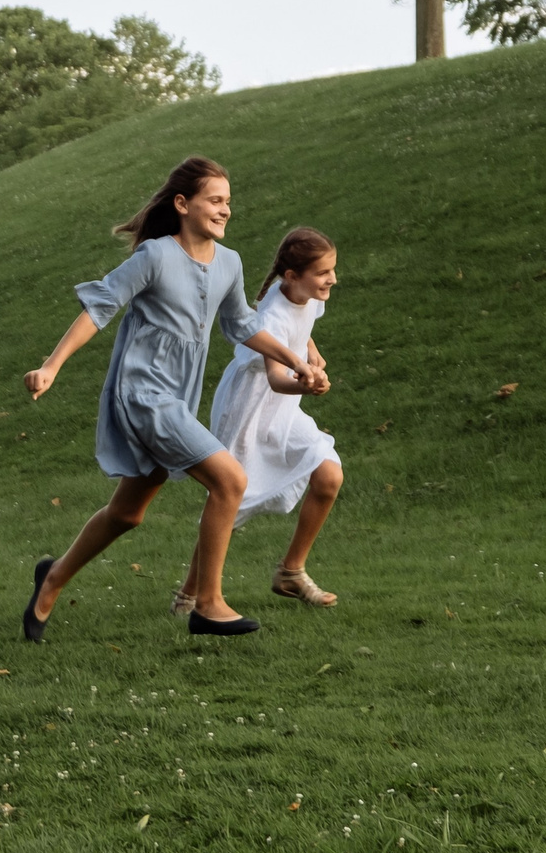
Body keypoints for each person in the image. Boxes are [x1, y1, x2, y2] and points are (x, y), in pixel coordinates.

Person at [19, 157, 327, 641]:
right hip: (142, 392)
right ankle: (207, 603)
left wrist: (298, 362)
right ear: (183, 204)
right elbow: (99, 307)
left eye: (228, 201)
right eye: (215, 200)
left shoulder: (229, 264)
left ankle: (51, 578)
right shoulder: (156, 256)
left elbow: (243, 325)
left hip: (176, 399)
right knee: (230, 480)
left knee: (128, 513)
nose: (225, 210)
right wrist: (51, 366)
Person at [200, 227, 344, 609]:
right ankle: (190, 592)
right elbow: (278, 379)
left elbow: (304, 327)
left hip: (283, 409)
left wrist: (310, 351)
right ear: (292, 276)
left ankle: (291, 571)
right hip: (250, 408)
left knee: (329, 475)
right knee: (229, 502)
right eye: (323, 272)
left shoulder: (308, 295)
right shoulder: (271, 317)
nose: (332, 278)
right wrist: (308, 386)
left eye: (332, 269)